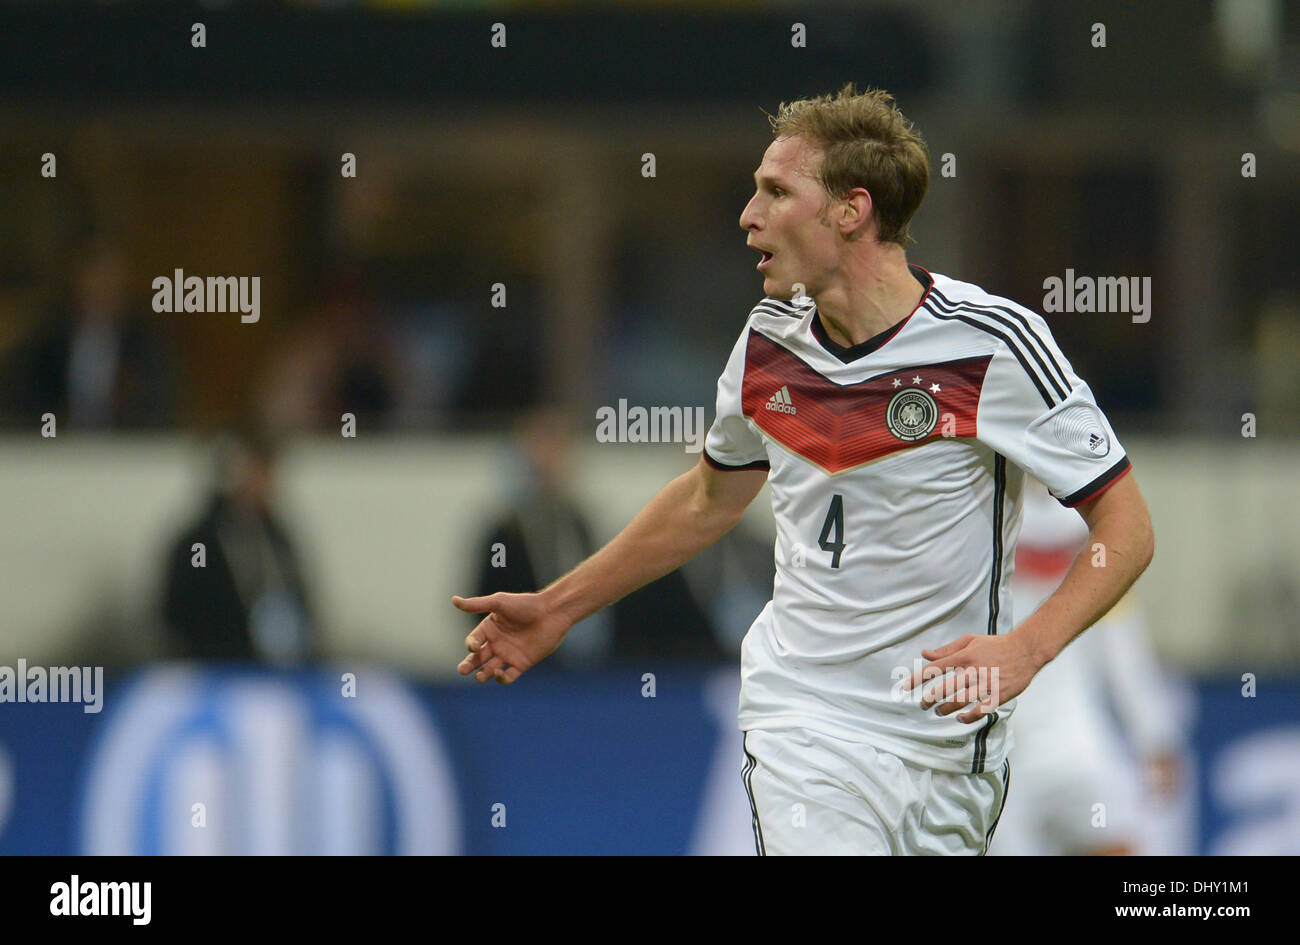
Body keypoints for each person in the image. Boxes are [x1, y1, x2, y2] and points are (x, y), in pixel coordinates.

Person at [453, 85, 1155, 856]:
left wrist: (1028, 647)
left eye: (777, 192)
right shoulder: (768, 343)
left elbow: (1126, 526)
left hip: (950, 745)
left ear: (851, 210)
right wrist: (558, 606)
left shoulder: (995, 345)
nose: (748, 215)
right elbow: (707, 500)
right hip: (805, 721)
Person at [987, 478, 1183, 856]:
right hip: (1011, 748)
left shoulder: (1085, 533)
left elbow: (1123, 651)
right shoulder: (1087, 532)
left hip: (1065, 743)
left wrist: (1154, 737)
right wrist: (1154, 738)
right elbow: (1124, 653)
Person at [162, 427, 317, 665]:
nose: (265, 483)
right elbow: (176, 612)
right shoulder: (198, 543)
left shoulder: (277, 538)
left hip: (273, 668)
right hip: (214, 668)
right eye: (256, 472)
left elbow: (300, 596)